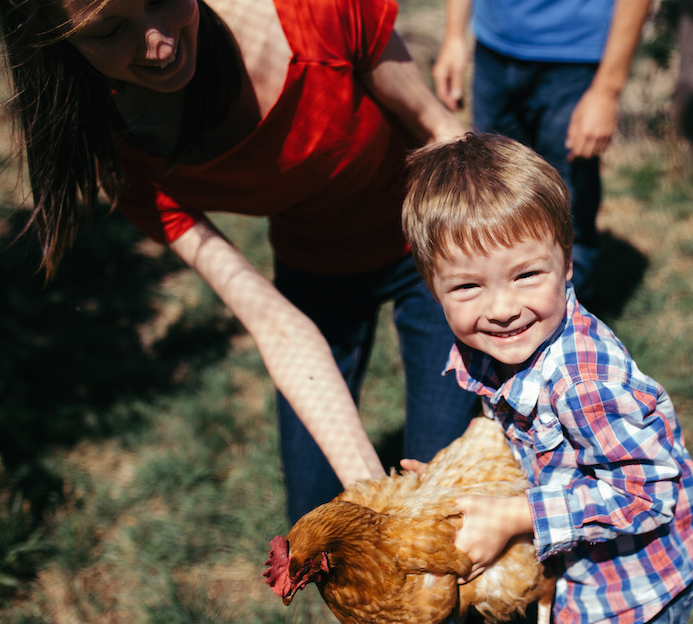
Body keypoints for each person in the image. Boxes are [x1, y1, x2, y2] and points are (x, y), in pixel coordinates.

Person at [0, 0, 481, 526]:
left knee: (446, 504)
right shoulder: (124, 154)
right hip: (313, 269)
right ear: (54, 40)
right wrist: (377, 501)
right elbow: (274, 324)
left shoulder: (317, 14)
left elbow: (442, 131)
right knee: (319, 522)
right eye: (111, 30)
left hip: (432, 257)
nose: (159, 43)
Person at [400, 133, 693, 624]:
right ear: (433, 289)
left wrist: (517, 516)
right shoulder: (499, 348)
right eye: (468, 287)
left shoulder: (582, 383)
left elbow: (648, 493)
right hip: (575, 576)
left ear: (567, 264)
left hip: (617, 601)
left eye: (526, 275)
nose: (500, 308)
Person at [431, 0, 652, 304]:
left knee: (569, 211)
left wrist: (606, 90)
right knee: (490, 200)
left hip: (573, 59)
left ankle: (573, 337)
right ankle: (501, 330)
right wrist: (454, 36)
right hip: (491, 49)